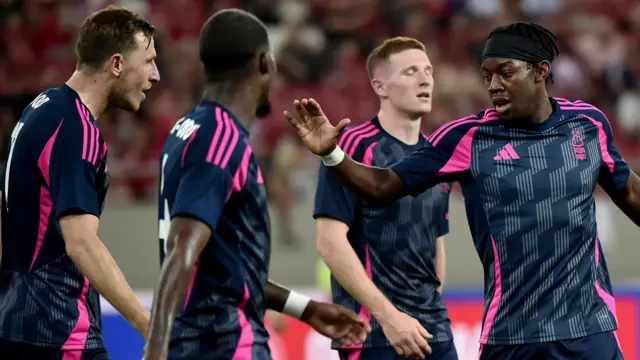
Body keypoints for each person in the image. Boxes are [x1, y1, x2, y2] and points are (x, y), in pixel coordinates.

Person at [285, 22, 640, 360]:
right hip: (510, 336)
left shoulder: (587, 125)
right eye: (487, 76)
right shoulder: (467, 137)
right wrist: (331, 153)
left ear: (541, 71)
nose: (494, 85)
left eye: (506, 72)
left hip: (589, 329)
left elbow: (631, 195)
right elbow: (382, 186)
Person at [143, 9, 370, 360]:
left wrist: (304, 309)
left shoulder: (186, 130)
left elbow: (222, 265)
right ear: (265, 63)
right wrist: (154, 353)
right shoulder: (220, 138)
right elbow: (182, 246)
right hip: (225, 342)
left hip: (200, 343)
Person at [0, 5, 160, 360]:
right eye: (148, 61)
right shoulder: (76, 128)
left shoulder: (41, 108)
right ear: (116, 64)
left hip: (17, 322)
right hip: (59, 328)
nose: (156, 74)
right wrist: (147, 322)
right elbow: (81, 242)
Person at [313, 37, 457, 360]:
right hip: (373, 335)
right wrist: (390, 319)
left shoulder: (437, 156)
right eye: (410, 72)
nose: (425, 79)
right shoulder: (351, 148)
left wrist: (428, 311)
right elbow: (330, 243)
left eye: (428, 71)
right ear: (380, 86)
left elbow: (437, 244)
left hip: (433, 331)